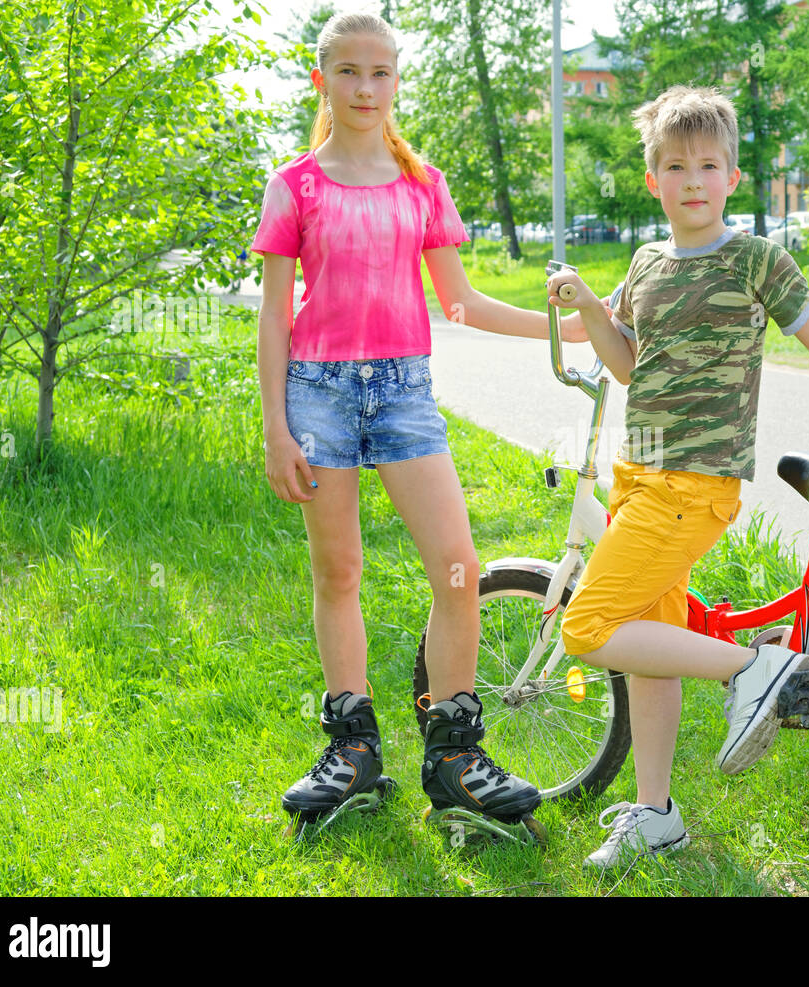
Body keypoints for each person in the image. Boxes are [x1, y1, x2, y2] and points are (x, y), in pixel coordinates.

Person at [251, 11, 587, 836]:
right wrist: (276, 430)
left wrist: (570, 328)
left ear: (398, 79)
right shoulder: (295, 184)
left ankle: (455, 756)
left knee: (458, 569)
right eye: (350, 72)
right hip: (318, 394)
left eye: (381, 73)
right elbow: (272, 316)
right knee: (339, 572)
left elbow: (460, 301)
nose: (366, 89)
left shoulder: (420, 182)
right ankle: (354, 746)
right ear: (322, 78)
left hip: (404, 392)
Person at [546, 85, 809, 868]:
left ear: (733, 176)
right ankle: (656, 812)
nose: (693, 180)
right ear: (654, 181)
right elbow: (629, 362)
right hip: (637, 477)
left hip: (691, 485)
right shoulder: (645, 263)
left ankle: (757, 667)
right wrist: (588, 307)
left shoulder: (755, 259)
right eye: (676, 166)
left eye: (708, 164)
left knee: (587, 627)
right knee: (649, 647)